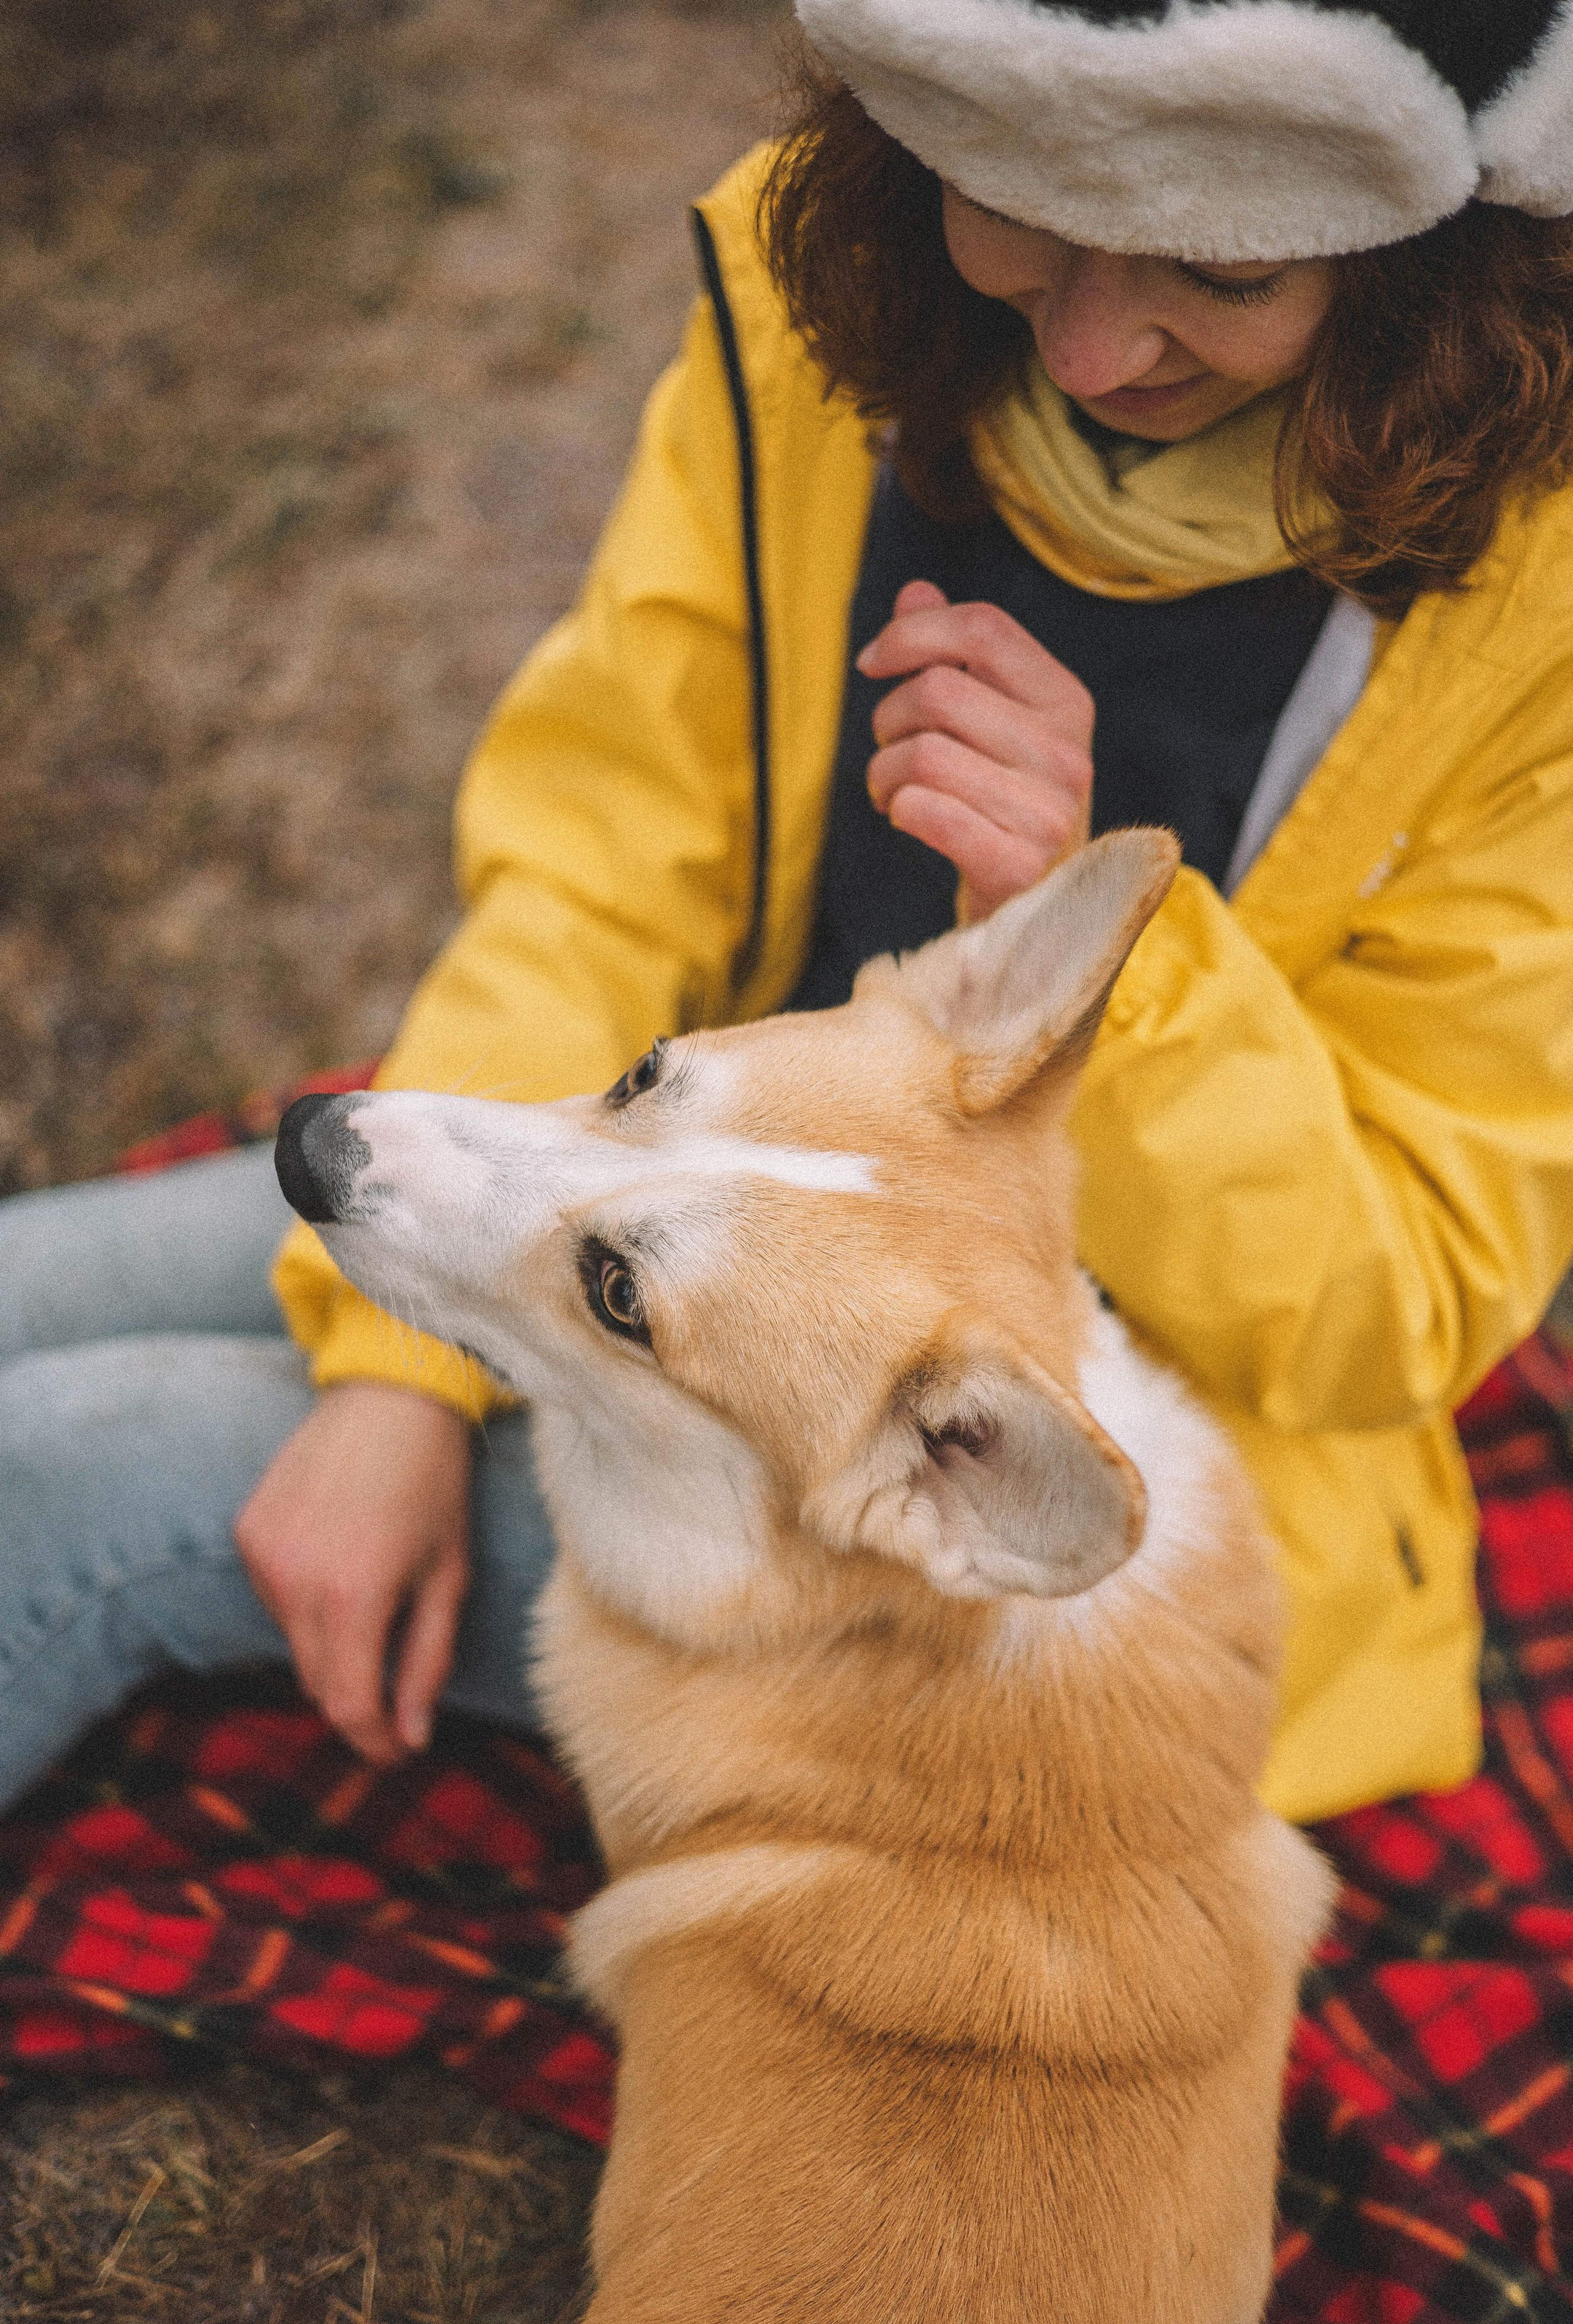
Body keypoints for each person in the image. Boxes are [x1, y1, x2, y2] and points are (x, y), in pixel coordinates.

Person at [4, 0, 1572, 1826]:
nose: (1083, 338)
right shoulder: (821, 301)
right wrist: (387, 1377)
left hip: (990, 1471)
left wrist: (1091, 947)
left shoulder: (1535, 614)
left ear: (1434, 258)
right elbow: (610, 848)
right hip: (674, 1159)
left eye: (1220, 270)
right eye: (1026, 210)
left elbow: (1402, 1296)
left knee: (79, 1471)